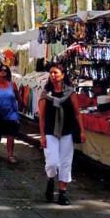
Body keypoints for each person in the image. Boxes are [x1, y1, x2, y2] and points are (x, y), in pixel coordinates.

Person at [38, 63, 86, 206]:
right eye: (51, 73)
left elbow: (77, 113)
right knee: (52, 162)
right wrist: (42, 135)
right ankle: (51, 179)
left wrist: (82, 130)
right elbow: (41, 116)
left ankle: (62, 193)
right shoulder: (45, 94)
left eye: (56, 73)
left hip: (67, 131)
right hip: (50, 132)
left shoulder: (70, 93)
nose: (53, 75)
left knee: (65, 162)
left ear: (63, 75)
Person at [0, 65, 20, 163]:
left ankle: (10, 155)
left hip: (11, 113)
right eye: (0, 70)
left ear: (8, 73)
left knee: (11, 134)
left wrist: (23, 104)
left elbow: (18, 97)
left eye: (5, 70)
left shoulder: (12, 84)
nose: (3, 72)